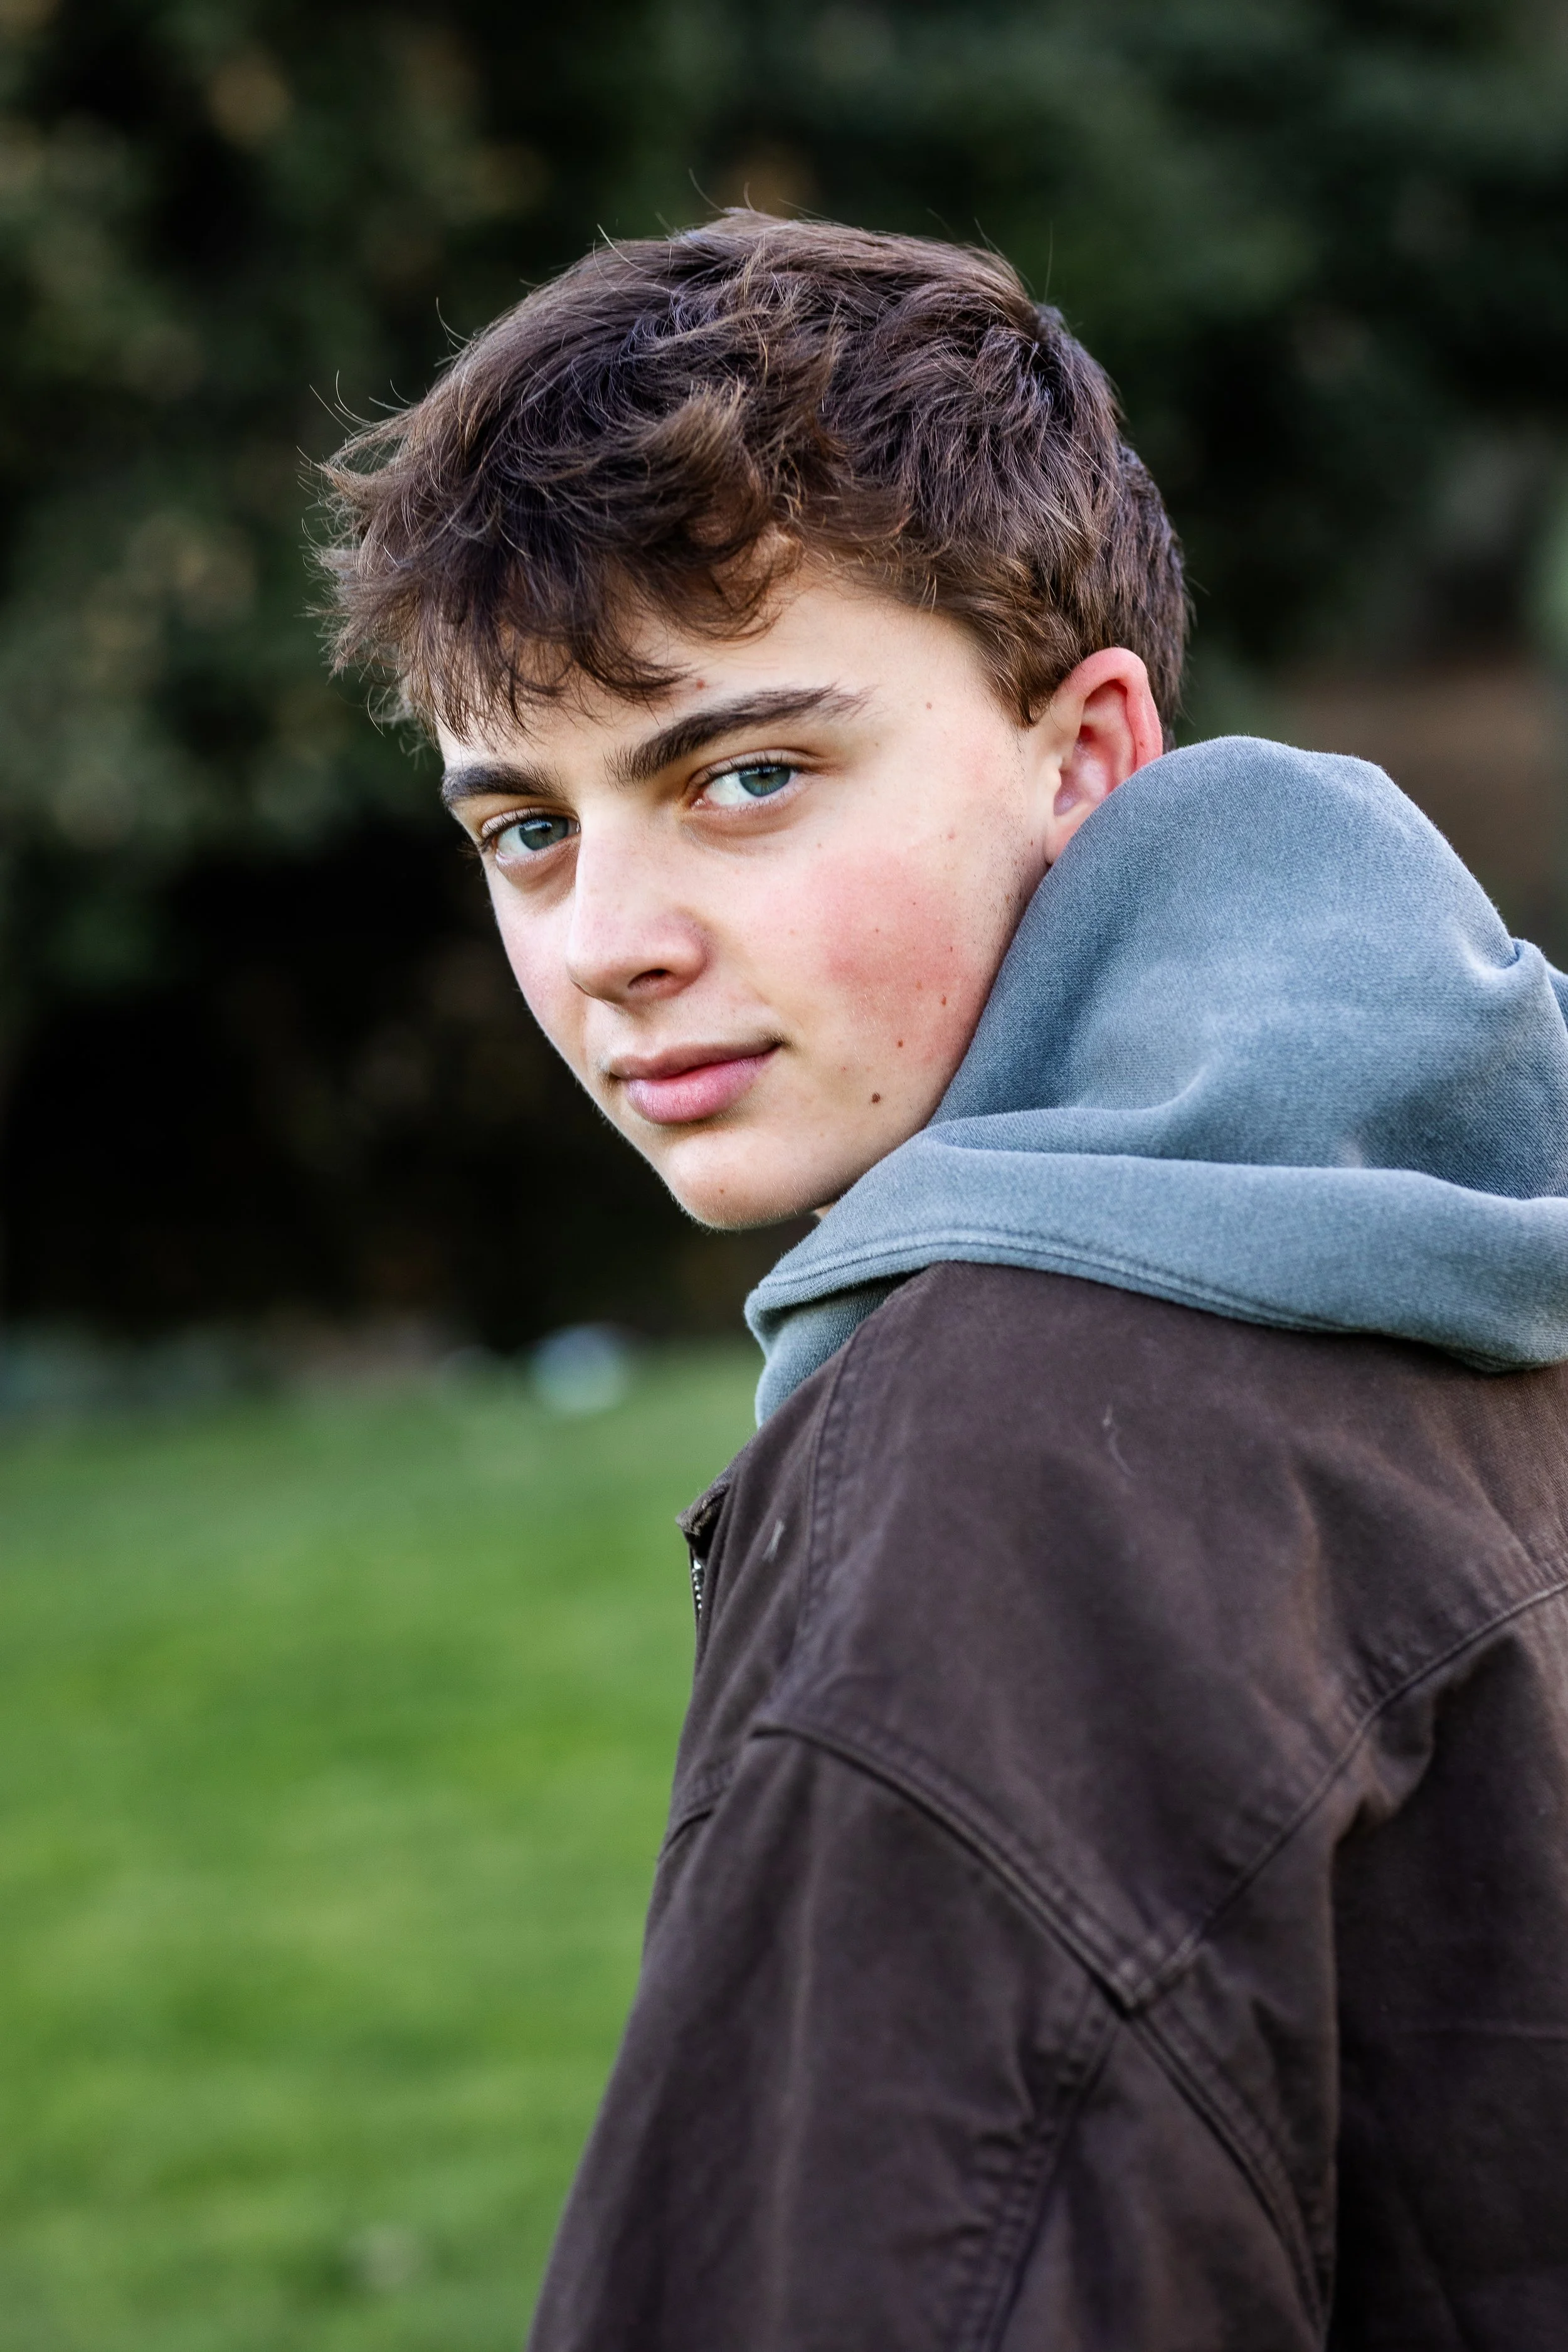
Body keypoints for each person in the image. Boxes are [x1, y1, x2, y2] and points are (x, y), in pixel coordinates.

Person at [321, 213, 1568, 2349]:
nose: (607, 938)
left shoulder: (1005, 1447)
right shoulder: (1472, 1237)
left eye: (746, 775)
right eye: (525, 826)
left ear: (1084, 754)